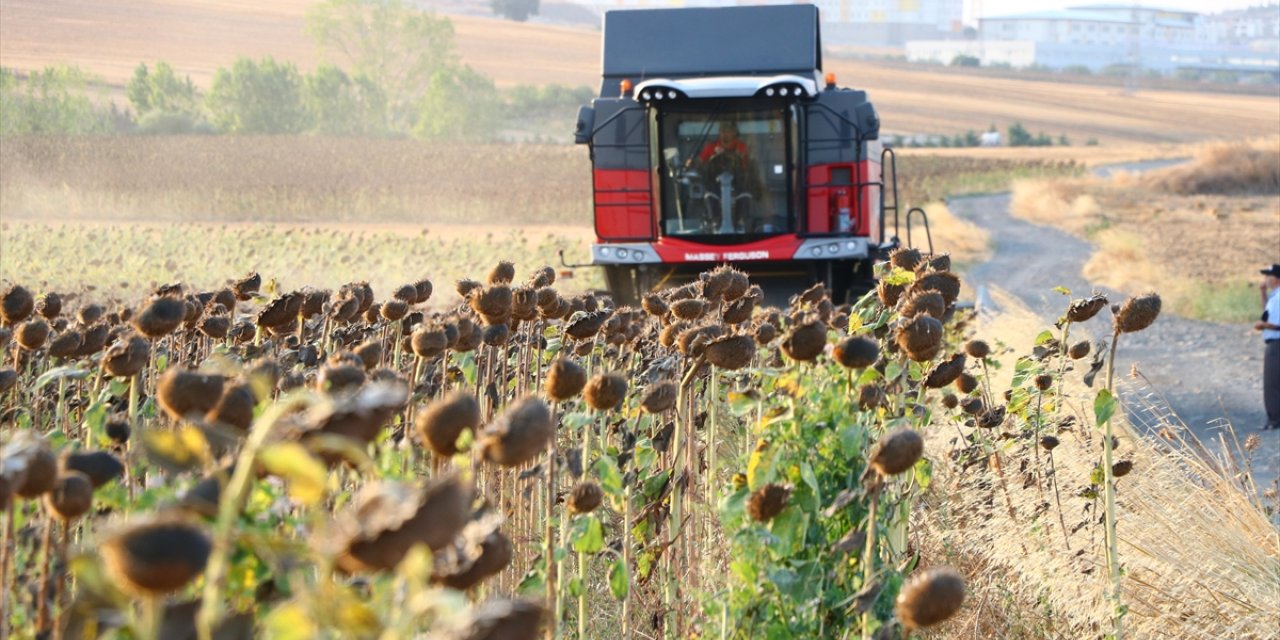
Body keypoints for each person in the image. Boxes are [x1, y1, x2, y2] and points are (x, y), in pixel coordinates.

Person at [1255, 263, 1280, 430]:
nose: (1266, 279)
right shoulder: (1274, 296)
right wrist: (1263, 292)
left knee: (1272, 383)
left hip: (1276, 343)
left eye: (1269, 276)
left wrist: (1262, 326)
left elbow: (1277, 324)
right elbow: (1266, 312)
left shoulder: (1278, 298)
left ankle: (1274, 419)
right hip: (1274, 342)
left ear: (1277, 278)